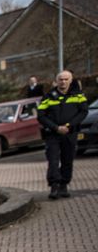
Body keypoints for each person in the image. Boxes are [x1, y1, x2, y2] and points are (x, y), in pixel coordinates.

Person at [37, 70, 89, 199]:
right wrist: (55, 127)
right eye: (61, 79)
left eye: (66, 79)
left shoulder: (78, 95)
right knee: (53, 160)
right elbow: (41, 115)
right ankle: (54, 186)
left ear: (71, 80)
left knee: (67, 160)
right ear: (56, 81)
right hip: (53, 134)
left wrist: (69, 126)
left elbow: (83, 112)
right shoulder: (49, 96)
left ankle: (63, 185)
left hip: (70, 133)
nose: (63, 82)